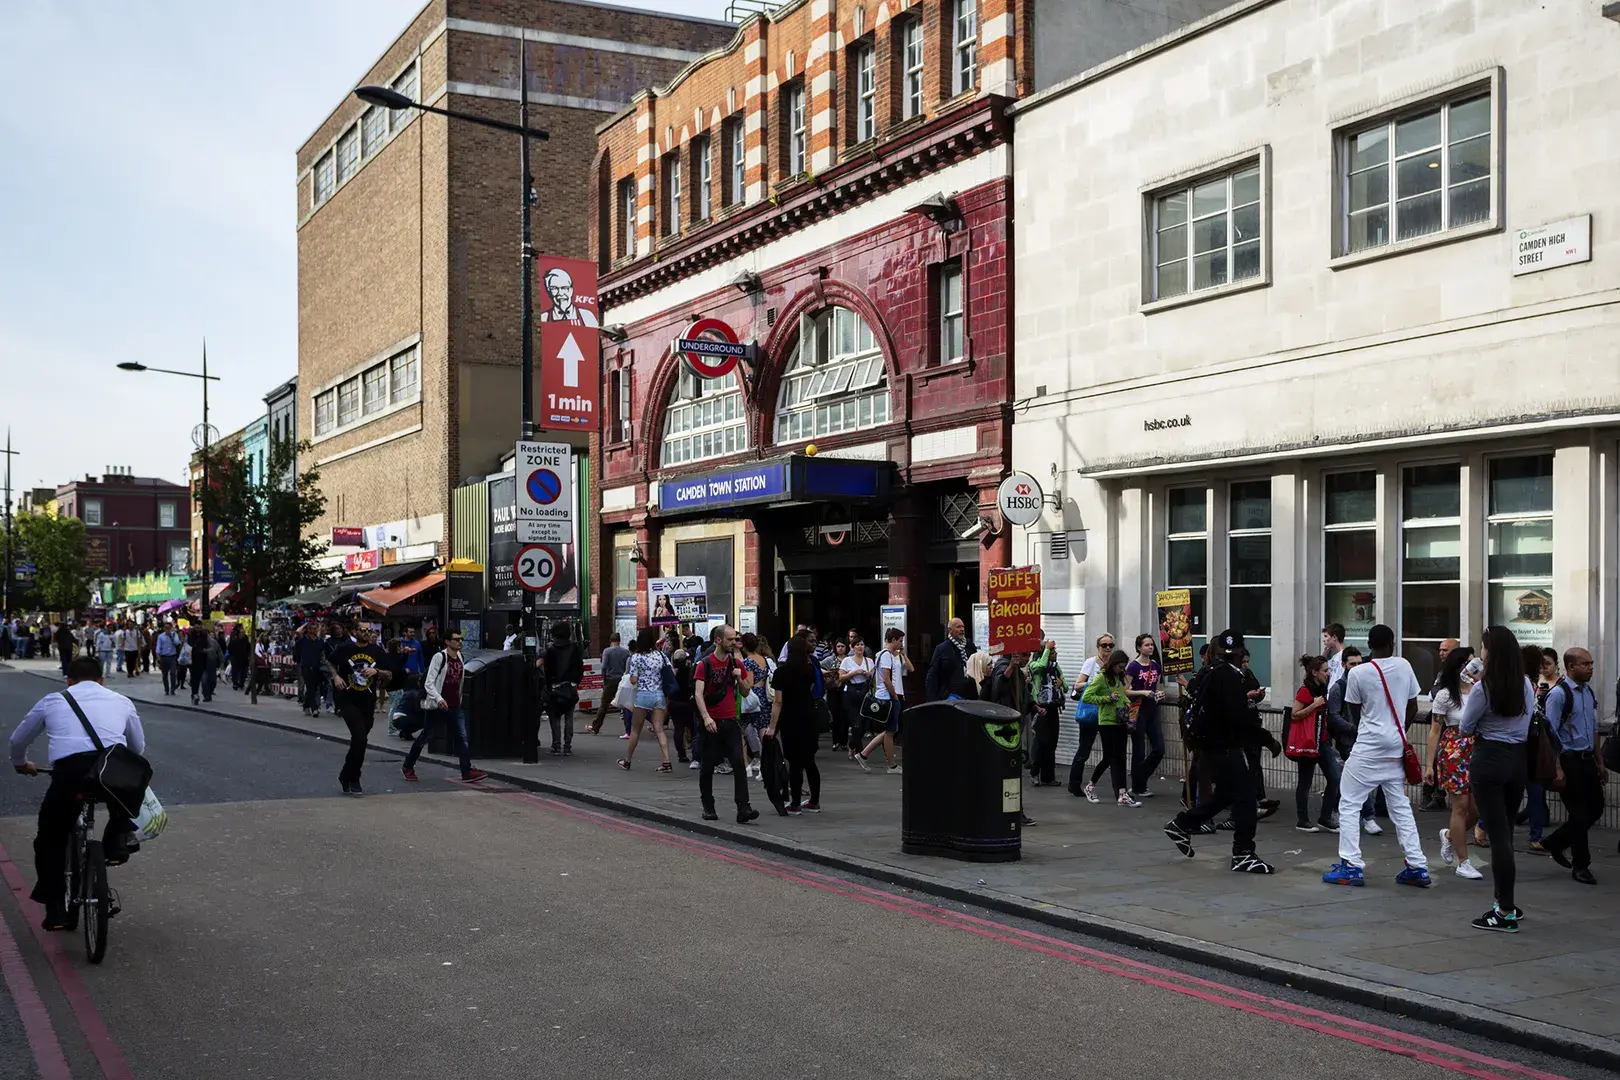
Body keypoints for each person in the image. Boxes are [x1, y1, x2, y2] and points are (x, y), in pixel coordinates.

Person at [10, 656, 147, 930]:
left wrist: (21, 763)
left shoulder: (53, 701)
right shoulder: (121, 701)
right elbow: (138, 748)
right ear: (101, 681)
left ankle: (57, 909)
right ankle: (116, 840)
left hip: (71, 775)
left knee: (50, 837)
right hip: (111, 772)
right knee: (129, 787)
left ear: (68, 680)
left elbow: (18, 739)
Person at [1322, 624, 1432, 889]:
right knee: (1400, 806)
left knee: (1349, 802)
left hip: (1369, 745)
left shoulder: (1359, 672)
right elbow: (1413, 704)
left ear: (1369, 644)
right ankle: (1417, 866)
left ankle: (1350, 866)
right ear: (1392, 643)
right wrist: (1397, 731)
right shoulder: (1405, 666)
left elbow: (1356, 708)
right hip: (1396, 745)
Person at [1162, 629, 1279, 874]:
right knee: (1246, 799)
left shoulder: (1217, 674)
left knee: (1226, 794)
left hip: (1214, 746)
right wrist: (1268, 740)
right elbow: (1240, 719)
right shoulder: (1230, 678)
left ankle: (1182, 824)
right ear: (1240, 652)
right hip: (1225, 746)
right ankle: (1243, 853)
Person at [1458, 626, 1535, 932]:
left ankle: (1504, 912)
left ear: (1492, 651)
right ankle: (1508, 902)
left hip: (1489, 757)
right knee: (1506, 833)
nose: (1481, 652)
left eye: (1483, 647)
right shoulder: (1526, 684)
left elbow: (1465, 727)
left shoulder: (1483, 688)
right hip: (1517, 760)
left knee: (1497, 836)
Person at [1542, 647, 1604, 886]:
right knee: (1578, 815)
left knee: (1596, 809)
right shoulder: (1559, 695)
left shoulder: (1588, 693)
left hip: (1587, 760)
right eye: (1585, 664)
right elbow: (1550, 733)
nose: (1590, 668)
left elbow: (1594, 728)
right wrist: (1557, 767)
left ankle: (1556, 841)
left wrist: (1599, 761)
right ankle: (1581, 865)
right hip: (1569, 761)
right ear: (1570, 667)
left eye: (1591, 663)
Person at [402, 629, 487, 784]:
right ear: (447, 642)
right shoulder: (439, 657)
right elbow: (429, 682)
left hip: (455, 706)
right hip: (438, 707)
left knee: (462, 738)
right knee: (425, 737)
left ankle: (466, 771)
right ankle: (408, 766)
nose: (460, 642)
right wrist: (439, 699)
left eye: (461, 639)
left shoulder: (460, 657)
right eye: (456, 639)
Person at [694, 625, 757, 823]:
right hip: (711, 722)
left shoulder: (736, 663)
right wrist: (706, 718)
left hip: (731, 721)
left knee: (739, 763)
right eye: (730, 639)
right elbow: (698, 694)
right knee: (708, 766)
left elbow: (746, 692)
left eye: (735, 639)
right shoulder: (704, 664)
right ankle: (708, 806)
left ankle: (743, 808)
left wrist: (740, 678)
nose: (735, 642)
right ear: (718, 640)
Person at [1430, 646, 1483, 880]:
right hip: (1454, 750)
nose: (1472, 667)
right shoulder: (1445, 695)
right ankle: (1463, 861)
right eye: (1468, 663)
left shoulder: (1481, 690)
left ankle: (1451, 836)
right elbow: (1434, 731)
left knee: (1479, 809)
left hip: (1479, 749)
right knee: (1460, 807)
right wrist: (1428, 766)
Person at [323, 623, 383, 796]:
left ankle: (345, 775)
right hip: (348, 699)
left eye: (368, 630)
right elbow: (330, 662)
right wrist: (336, 677)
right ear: (355, 631)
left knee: (360, 741)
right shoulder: (345, 648)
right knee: (360, 738)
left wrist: (377, 670)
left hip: (368, 701)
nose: (366, 633)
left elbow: (389, 672)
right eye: (362, 630)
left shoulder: (377, 650)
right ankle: (355, 778)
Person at [770, 634, 821, 815]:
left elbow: (778, 702)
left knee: (794, 762)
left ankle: (795, 803)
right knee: (809, 761)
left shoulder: (781, 672)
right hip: (809, 716)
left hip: (790, 719)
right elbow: (810, 690)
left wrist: (771, 727)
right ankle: (814, 801)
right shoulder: (809, 669)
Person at [1079, 648, 1138, 806]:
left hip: (1120, 720)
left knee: (1120, 757)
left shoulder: (1118, 677)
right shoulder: (1101, 677)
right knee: (1109, 757)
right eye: (1119, 666)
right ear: (1113, 664)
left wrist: (1125, 700)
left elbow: (1121, 692)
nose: (1122, 669)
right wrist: (1107, 698)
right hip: (1106, 722)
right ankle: (1090, 786)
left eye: (1123, 666)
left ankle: (1122, 793)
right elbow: (1087, 696)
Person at [1289, 654, 1339, 833]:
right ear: (1314, 672)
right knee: (1305, 782)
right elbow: (1295, 714)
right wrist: (1313, 705)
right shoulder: (1305, 691)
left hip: (1322, 741)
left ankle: (1325, 817)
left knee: (1334, 778)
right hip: (1308, 742)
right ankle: (1302, 820)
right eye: (1325, 671)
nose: (1328, 674)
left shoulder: (1323, 688)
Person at [854, 627, 910, 773]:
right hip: (888, 697)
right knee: (890, 731)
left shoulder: (887, 655)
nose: (901, 643)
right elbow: (885, 679)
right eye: (899, 640)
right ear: (892, 640)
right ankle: (891, 765)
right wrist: (895, 696)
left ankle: (864, 754)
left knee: (889, 730)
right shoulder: (886, 655)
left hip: (888, 696)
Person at [618, 628, 674, 771]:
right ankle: (666, 761)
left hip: (643, 695)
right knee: (659, 730)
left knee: (635, 730)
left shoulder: (636, 657)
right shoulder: (661, 655)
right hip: (659, 695)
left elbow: (633, 679)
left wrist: (634, 678)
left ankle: (627, 760)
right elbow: (671, 671)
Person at [1125, 634, 1166, 799]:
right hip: (1138, 711)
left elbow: (1157, 687)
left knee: (1159, 748)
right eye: (1147, 645)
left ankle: (1141, 777)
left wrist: (1159, 694)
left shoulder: (1155, 666)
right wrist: (1142, 692)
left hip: (1152, 710)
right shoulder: (1133, 667)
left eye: (1152, 645)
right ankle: (1137, 786)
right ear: (1139, 647)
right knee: (1139, 750)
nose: (1150, 647)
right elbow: (1125, 690)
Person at [538, 622, 584, 757]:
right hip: (569, 687)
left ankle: (556, 746)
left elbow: (543, 668)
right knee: (569, 717)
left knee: (555, 718)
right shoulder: (575, 648)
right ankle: (567, 746)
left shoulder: (549, 649)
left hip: (553, 687)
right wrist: (575, 682)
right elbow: (579, 667)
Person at [1028, 641, 1066, 786]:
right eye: (1052, 652)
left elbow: (1066, 687)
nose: (1055, 654)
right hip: (1040, 708)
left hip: (1053, 707)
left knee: (1052, 743)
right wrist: (1046, 650)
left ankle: (1048, 776)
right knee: (1041, 742)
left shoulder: (1056, 668)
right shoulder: (1034, 666)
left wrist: (1061, 684)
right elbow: (1041, 666)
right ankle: (1034, 773)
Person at [838, 638, 875, 761]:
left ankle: (852, 744)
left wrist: (869, 674)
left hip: (864, 692)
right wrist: (854, 673)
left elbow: (873, 677)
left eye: (862, 644)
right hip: (851, 692)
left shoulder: (869, 661)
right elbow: (841, 677)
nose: (860, 647)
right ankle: (859, 751)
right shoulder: (847, 661)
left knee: (864, 724)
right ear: (852, 647)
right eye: (857, 645)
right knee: (856, 723)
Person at [925, 618, 974, 702]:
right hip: (950, 696)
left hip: (969, 696)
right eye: (958, 627)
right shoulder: (942, 649)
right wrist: (933, 700)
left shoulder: (969, 646)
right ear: (950, 630)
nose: (962, 629)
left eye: (963, 627)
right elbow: (932, 675)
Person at [592, 633, 629, 735]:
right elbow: (628, 667)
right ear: (619, 640)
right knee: (624, 705)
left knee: (604, 704)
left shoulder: (607, 651)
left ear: (610, 640)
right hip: (622, 680)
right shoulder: (625, 652)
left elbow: (604, 666)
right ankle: (628, 729)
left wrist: (604, 679)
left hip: (610, 680)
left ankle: (596, 727)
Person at [294, 622, 326, 717]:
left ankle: (306, 705)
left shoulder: (320, 641)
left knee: (314, 687)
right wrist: (306, 624)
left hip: (316, 666)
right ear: (308, 630)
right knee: (309, 686)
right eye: (312, 628)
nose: (314, 630)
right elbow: (297, 632)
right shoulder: (303, 640)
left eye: (315, 628)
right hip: (306, 666)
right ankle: (314, 708)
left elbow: (322, 653)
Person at [153, 622, 181, 695]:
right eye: (166, 628)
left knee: (173, 673)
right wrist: (158, 658)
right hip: (164, 657)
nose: (167, 629)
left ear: (171, 628)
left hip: (172, 657)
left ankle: (172, 689)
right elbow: (158, 648)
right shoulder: (161, 636)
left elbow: (177, 643)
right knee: (164, 675)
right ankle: (166, 689)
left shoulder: (174, 634)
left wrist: (171, 637)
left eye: (168, 628)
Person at [1322, 623, 1346, 688]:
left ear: (1334, 637)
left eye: (1326, 636)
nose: (1323, 640)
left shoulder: (1344, 656)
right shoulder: (1334, 657)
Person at [228, 624, 251, 692]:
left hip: (244, 659)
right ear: (239, 633)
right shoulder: (234, 640)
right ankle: (235, 683)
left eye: (244, 632)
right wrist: (232, 656)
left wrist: (248, 655)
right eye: (241, 632)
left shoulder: (246, 639)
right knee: (235, 671)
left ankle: (241, 684)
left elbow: (248, 648)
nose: (243, 634)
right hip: (235, 658)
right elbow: (230, 649)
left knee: (243, 673)